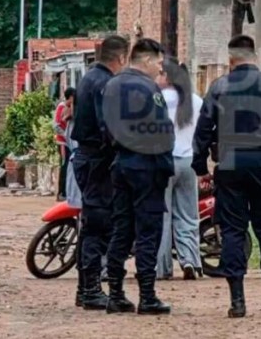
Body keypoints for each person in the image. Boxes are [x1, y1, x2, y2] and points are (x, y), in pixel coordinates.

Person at [192, 35, 261, 319]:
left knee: (232, 231)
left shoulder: (219, 88)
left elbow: (202, 131)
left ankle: (237, 302)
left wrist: (201, 168)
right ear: (255, 57)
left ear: (231, 60)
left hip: (229, 165)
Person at [101, 38, 175, 315]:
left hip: (121, 163)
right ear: (146, 60)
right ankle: (147, 295)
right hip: (147, 165)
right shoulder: (148, 87)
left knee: (121, 229)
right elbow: (163, 131)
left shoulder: (111, 85)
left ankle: (115, 294)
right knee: (148, 231)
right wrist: (164, 164)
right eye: (158, 62)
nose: (160, 68)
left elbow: (103, 128)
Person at [70, 35, 130, 310]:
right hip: (98, 160)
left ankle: (85, 288)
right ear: (121, 58)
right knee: (98, 224)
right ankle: (91, 289)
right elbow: (108, 126)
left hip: (87, 156)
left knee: (90, 225)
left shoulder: (89, 78)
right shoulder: (106, 83)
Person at [155, 58, 203, 281]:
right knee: (188, 215)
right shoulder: (196, 101)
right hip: (189, 162)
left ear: (167, 76)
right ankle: (190, 260)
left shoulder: (159, 99)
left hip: (165, 162)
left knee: (162, 216)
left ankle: (162, 267)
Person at [54, 87, 76, 201]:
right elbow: (56, 125)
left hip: (69, 143)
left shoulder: (70, 107)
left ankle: (66, 192)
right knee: (65, 165)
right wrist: (66, 136)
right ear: (71, 97)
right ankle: (61, 192)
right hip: (63, 142)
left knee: (68, 166)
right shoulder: (62, 106)